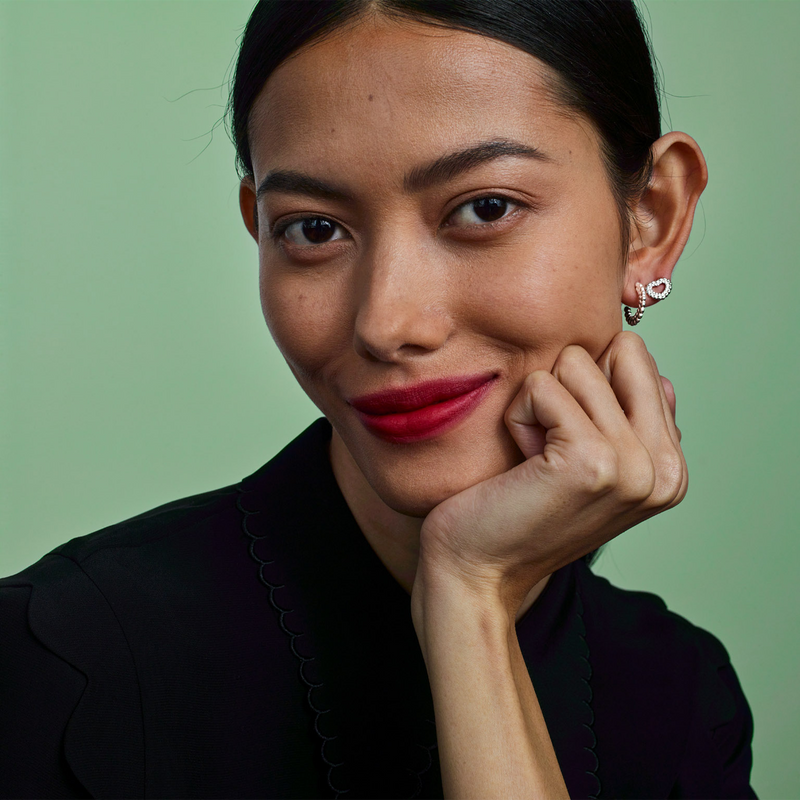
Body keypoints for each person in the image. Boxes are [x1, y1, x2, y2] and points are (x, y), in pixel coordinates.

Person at [0, 0, 757, 797]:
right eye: (315, 230)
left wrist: (469, 595)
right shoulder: (55, 663)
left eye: (484, 208)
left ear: (653, 219)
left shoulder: (677, 691)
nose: (386, 323)